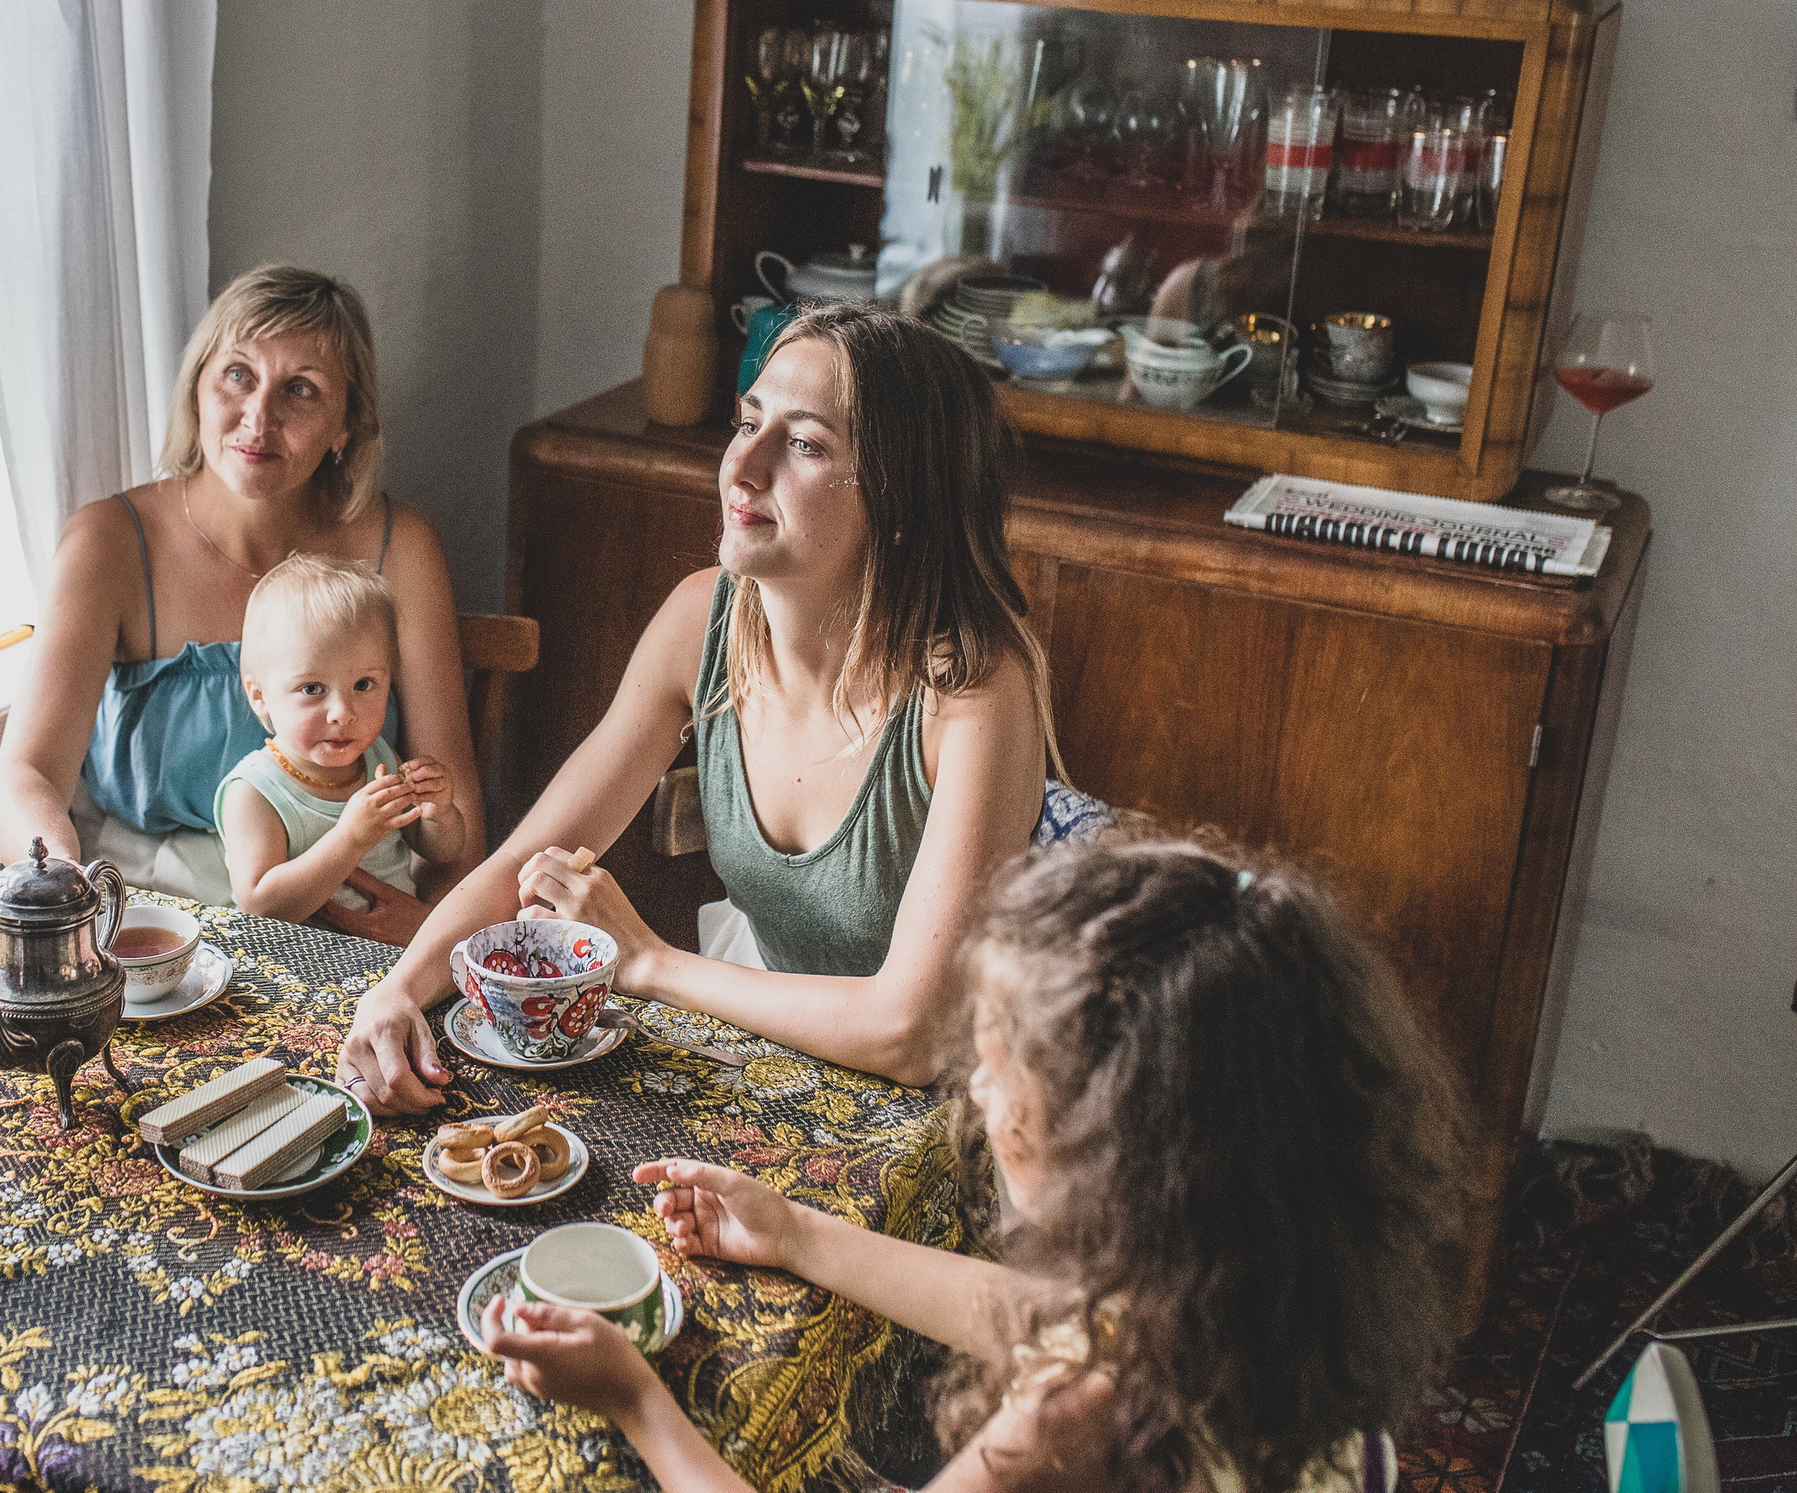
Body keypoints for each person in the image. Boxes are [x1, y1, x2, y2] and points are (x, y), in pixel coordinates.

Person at [482, 840, 1473, 1493]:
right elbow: (1065, 1324)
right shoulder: (1262, 1284)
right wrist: (795, 1234)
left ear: (1108, 1153)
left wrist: (639, 1403)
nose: (978, 1096)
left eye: (1000, 1074)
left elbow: (1072, 1360)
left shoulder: (1065, 1429)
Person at [340, 302, 1101, 1110]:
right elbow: (521, 863)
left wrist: (649, 962)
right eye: (748, 422)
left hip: (960, 1109)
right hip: (771, 1049)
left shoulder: (975, 686)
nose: (743, 465)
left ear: (904, 499)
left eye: (805, 444)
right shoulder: (702, 618)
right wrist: (395, 993)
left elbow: (912, 1033)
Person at [0, 264, 480, 940]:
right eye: (238, 374)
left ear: (347, 426)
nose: (259, 417)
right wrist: (69, 898)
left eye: (300, 389)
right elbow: (26, 775)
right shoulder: (108, 541)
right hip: (147, 917)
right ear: (197, 388)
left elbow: (455, 799)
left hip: (355, 927)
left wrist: (431, 938)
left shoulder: (404, 546)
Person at [215, 554, 468, 923]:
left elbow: (441, 853)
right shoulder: (254, 791)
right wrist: (351, 838)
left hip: (390, 957)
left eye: (363, 685)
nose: (342, 713)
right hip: (290, 967)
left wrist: (439, 814)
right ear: (261, 697)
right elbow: (262, 905)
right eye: (312, 688)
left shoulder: (379, 758)